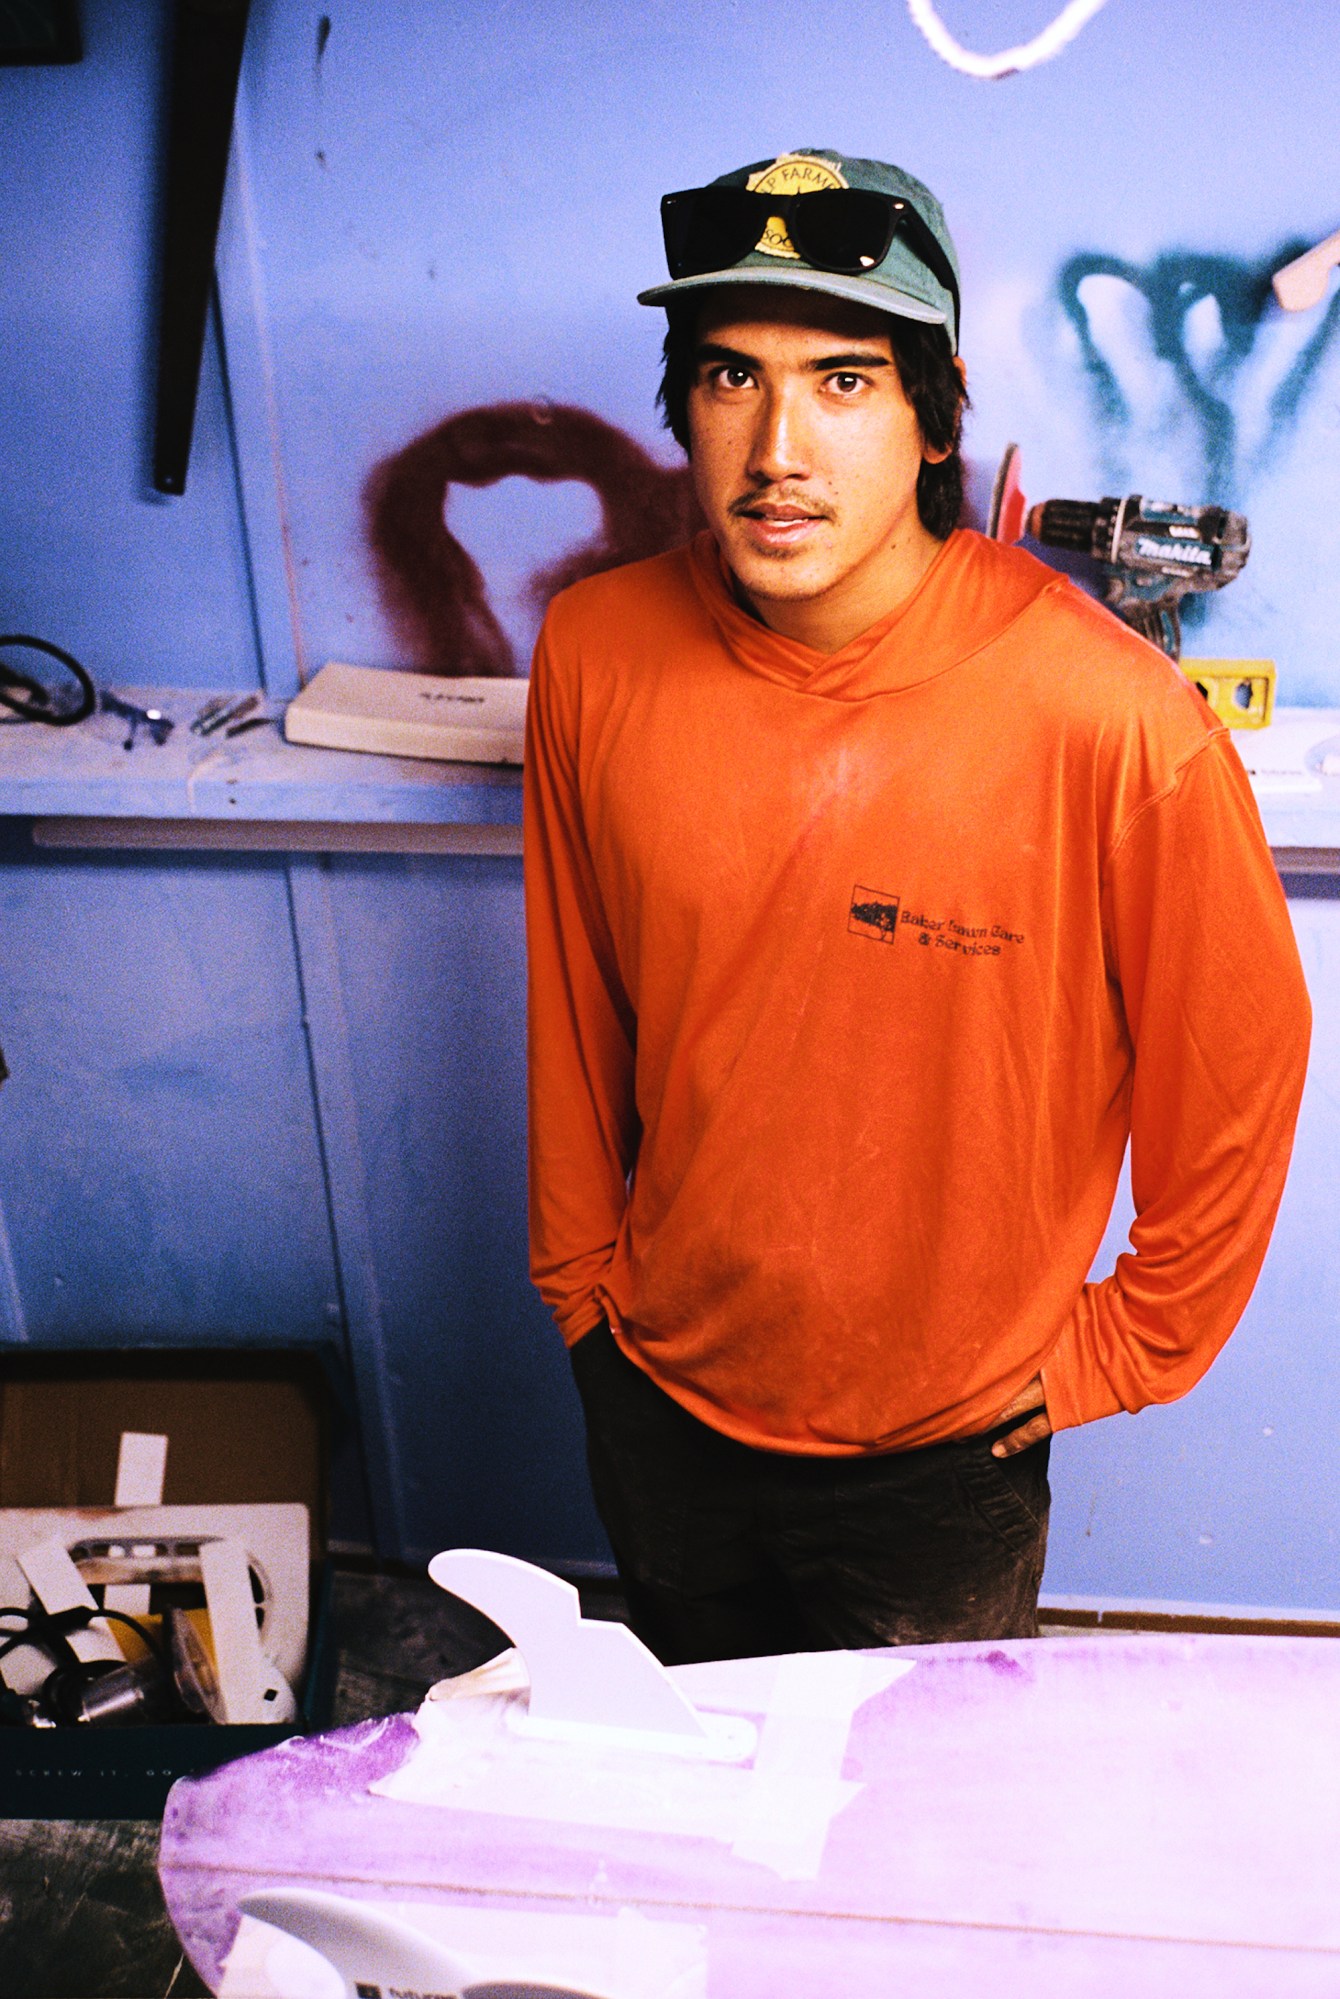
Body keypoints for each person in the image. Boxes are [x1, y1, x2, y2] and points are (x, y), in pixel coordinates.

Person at [522, 149, 1311, 1663]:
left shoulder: (1112, 721)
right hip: (658, 1396)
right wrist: (580, 1290)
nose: (778, 450)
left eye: (844, 382)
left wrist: (1120, 1346)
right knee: (705, 1804)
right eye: (731, 378)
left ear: (938, 414)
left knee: (911, 1859)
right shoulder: (598, 652)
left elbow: (1245, 1061)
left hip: (948, 1453)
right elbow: (576, 998)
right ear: (681, 402)